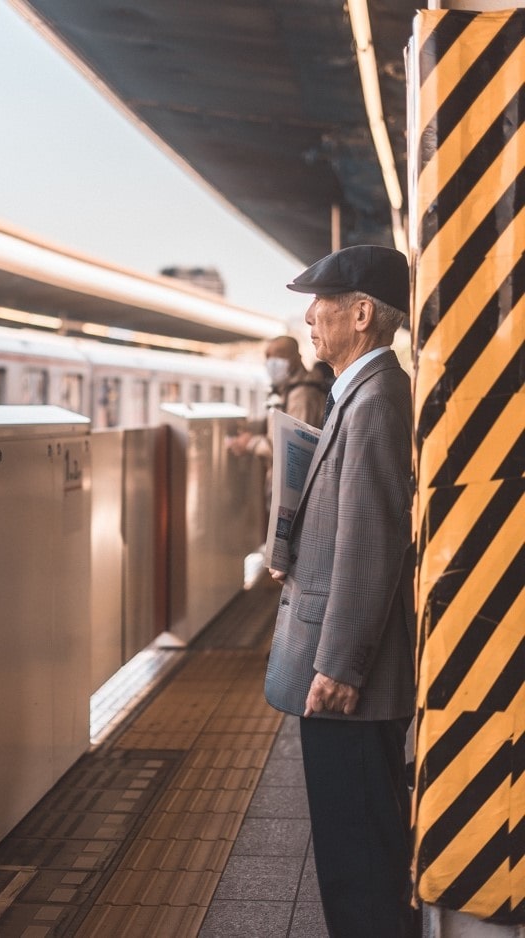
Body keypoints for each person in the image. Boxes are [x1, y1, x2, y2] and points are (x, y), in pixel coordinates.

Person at [264, 245, 417, 938]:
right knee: (354, 846)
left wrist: (340, 666)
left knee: (358, 860)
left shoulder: (377, 399)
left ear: (360, 313)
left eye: (321, 304)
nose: (309, 317)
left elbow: (372, 545)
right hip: (340, 667)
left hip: (347, 681)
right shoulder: (359, 391)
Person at [227, 334, 328, 511]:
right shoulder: (287, 390)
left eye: (278, 356)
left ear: (296, 359)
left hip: (295, 494)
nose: (270, 362)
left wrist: (250, 443)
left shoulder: (302, 395)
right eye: (267, 356)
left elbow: (293, 449)